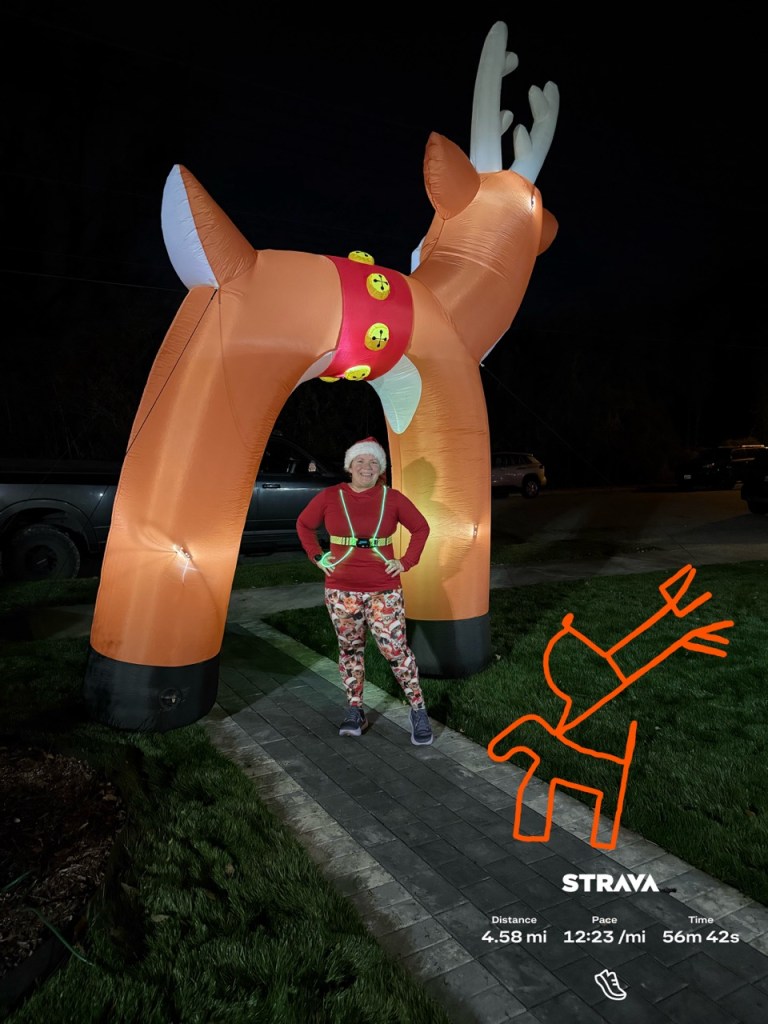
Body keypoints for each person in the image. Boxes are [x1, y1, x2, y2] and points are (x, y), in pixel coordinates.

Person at [296, 436, 433, 745]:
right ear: (350, 465)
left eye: (374, 462)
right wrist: (317, 557)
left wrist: (406, 561)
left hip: (383, 589)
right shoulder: (331, 496)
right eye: (361, 461)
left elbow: (421, 528)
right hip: (341, 590)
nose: (367, 467)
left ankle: (418, 710)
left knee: (396, 651)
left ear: (380, 468)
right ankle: (355, 709)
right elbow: (304, 525)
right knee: (350, 650)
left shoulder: (392, 498)